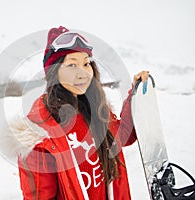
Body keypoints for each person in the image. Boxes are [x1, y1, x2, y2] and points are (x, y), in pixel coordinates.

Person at [9, 26, 149, 200]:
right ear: (54, 72)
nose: (82, 73)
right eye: (72, 65)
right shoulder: (41, 137)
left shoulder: (94, 110)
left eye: (86, 63)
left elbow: (124, 135)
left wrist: (135, 95)